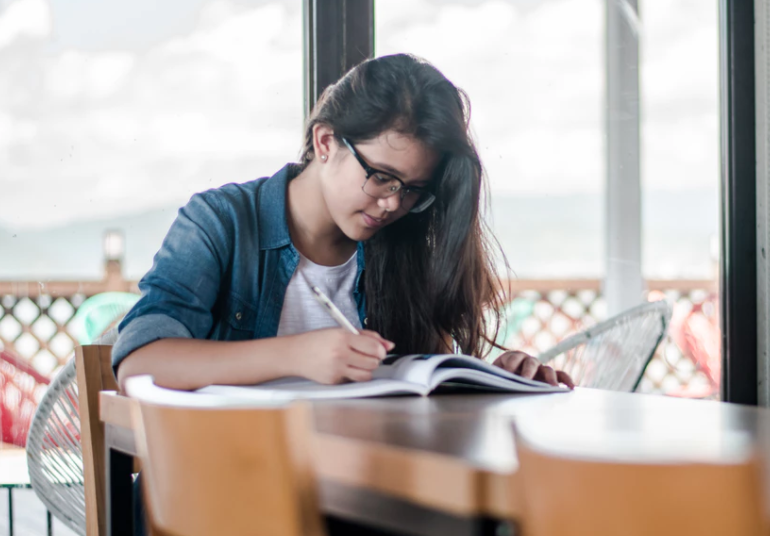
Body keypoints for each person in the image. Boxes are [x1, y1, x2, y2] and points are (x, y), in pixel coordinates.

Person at [114, 53, 575, 394]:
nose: (393, 203)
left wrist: (498, 377)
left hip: (353, 483)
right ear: (326, 141)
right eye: (381, 177)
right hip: (221, 485)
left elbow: (424, 385)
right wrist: (297, 354)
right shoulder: (221, 222)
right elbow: (140, 362)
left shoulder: (401, 243)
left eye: (413, 188)